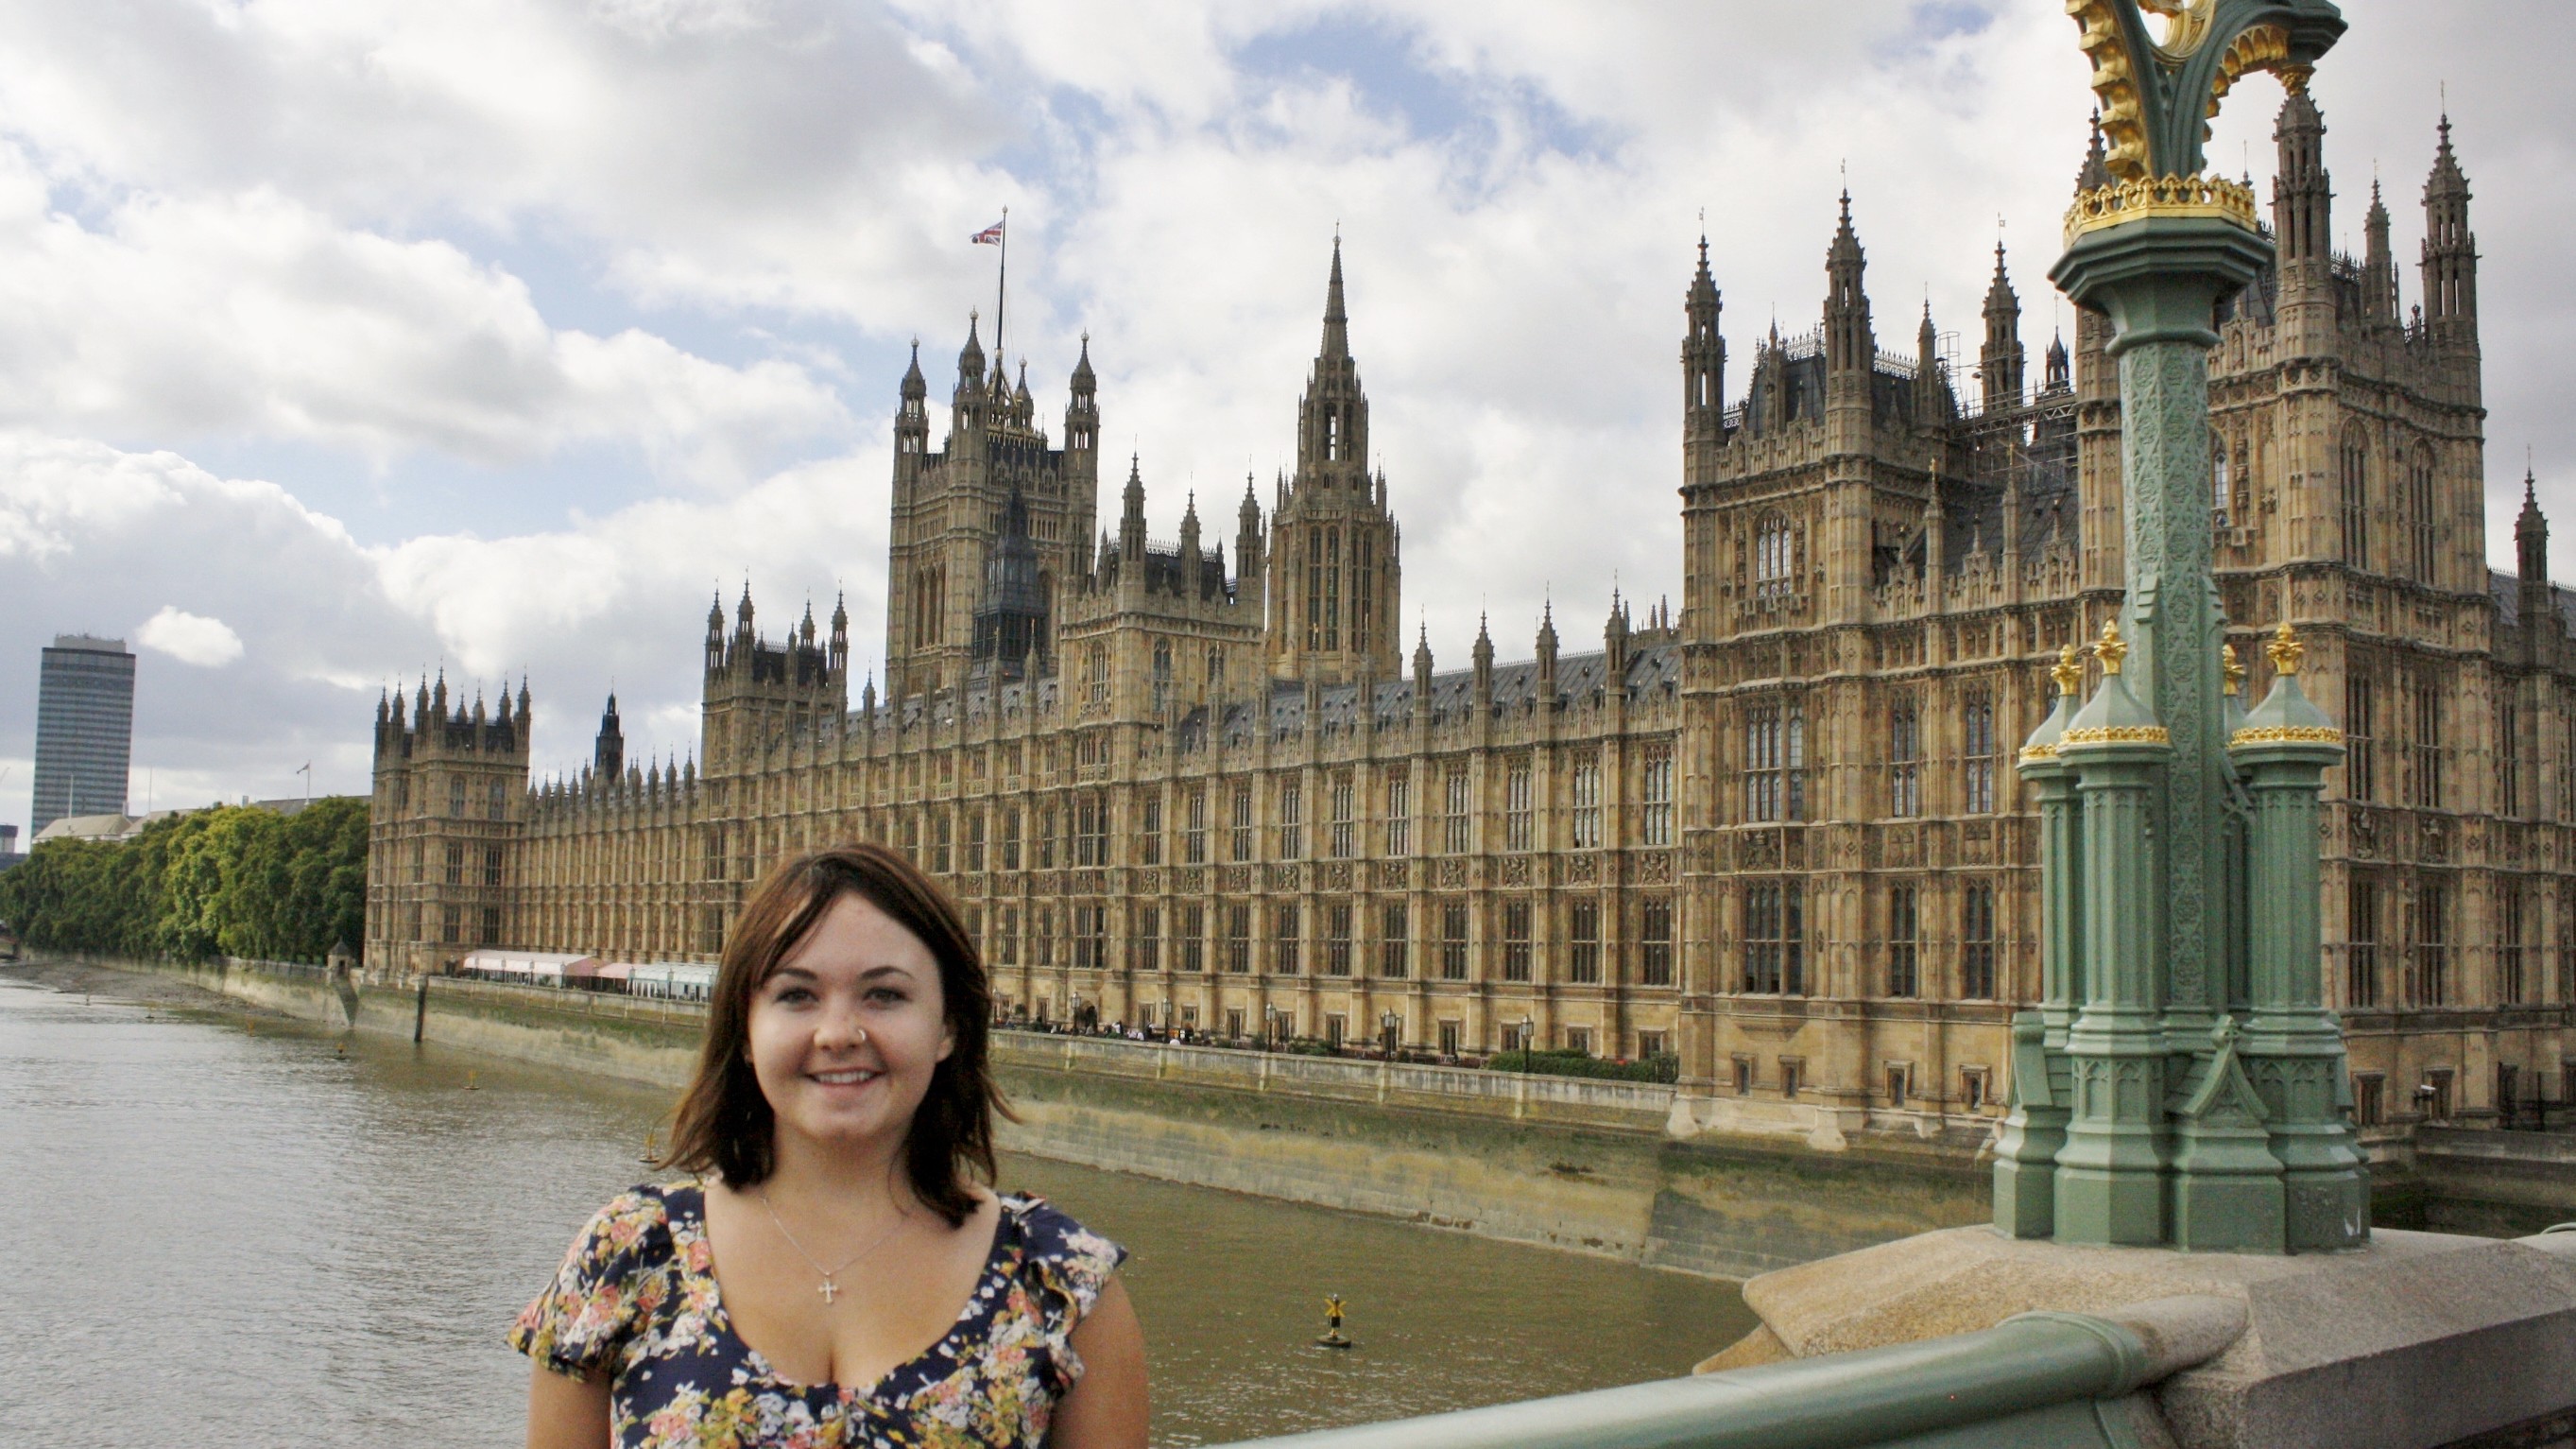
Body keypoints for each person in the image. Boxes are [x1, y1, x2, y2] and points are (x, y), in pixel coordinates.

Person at [511, 843, 1149, 1448]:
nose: (838, 1032)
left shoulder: (1063, 1288)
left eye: (885, 993)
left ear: (949, 1023)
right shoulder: (623, 1258)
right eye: (797, 995)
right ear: (744, 1028)